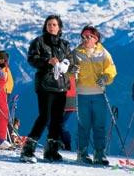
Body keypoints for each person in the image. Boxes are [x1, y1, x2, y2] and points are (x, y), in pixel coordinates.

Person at [20, 15, 73, 163]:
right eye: (49, 24)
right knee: (44, 117)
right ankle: (28, 149)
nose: (51, 27)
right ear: (45, 26)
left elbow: (71, 59)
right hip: (45, 84)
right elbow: (31, 59)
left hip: (61, 86)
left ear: (59, 27)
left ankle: (51, 151)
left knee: (57, 119)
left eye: (54, 24)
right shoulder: (39, 42)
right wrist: (47, 61)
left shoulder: (65, 44)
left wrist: (66, 64)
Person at [72, 25, 117, 165]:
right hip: (82, 94)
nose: (84, 39)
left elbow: (111, 69)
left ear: (95, 38)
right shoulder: (76, 52)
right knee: (83, 125)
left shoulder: (103, 53)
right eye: (83, 36)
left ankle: (99, 153)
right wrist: (71, 71)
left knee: (99, 125)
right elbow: (67, 70)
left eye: (88, 36)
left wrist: (105, 77)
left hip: (99, 94)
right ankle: (82, 153)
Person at [61, 74, 77, 151]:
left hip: (64, 97)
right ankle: (64, 144)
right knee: (60, 124)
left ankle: (64, 144)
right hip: (70, 99)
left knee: (59, 124)